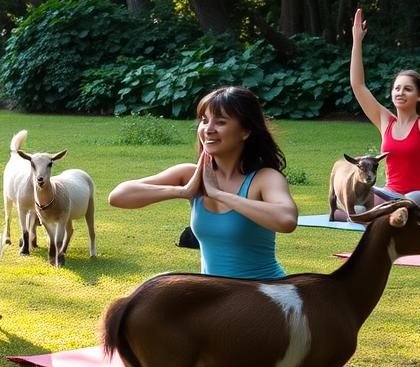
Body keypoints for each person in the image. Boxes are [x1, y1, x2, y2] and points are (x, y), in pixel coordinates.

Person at [108, 86, 298, 279]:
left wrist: (219, 194)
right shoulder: (190, 175)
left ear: (245, 131)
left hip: (264, 293)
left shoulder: (264, 178)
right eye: (204, 121)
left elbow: (286, 220)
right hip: (214, 296)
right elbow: (118, 197)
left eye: (221, 122)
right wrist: (182, 191)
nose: (208, 129)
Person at [347, 7, 420, 216]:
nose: (400, 92)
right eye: (397, 88)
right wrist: (357, 41)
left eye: (408, 89)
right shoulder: (385, 121)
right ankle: (375, 214)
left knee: (408, 201)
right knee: (356, 205)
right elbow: (358, 85)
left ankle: (381, 214)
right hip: (391, 194)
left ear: (419, 95)